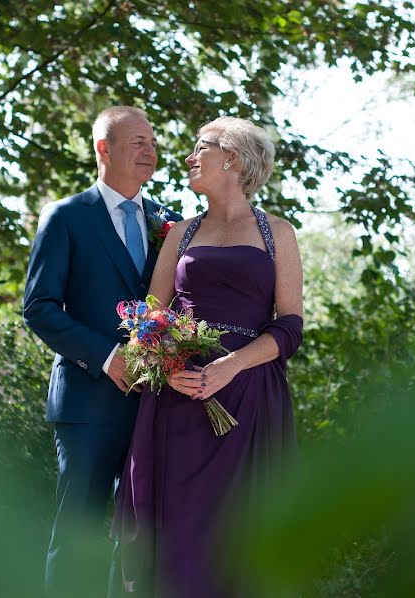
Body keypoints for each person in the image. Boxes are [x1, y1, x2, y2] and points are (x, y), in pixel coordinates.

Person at [111, 116, 305, 597]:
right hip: (177, 401)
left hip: (248, 403)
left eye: (201, 147)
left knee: (235, 536)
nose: (189, 157)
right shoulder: (180, 234)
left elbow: (291, 325)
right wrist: (169, 368)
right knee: (177, 537)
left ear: (232, 158)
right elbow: (149, 316)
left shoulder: (276, 233)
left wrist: (231, 365)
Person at [23, 105, 181, 594]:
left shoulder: (169, 223)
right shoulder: (67, 217)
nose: (149, 150)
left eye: (152, 142)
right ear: (103, 149)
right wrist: (109, 358)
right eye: (137, 141)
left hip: (155, 406)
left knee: (139, 542)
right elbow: (39, 308)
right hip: (88, 406)